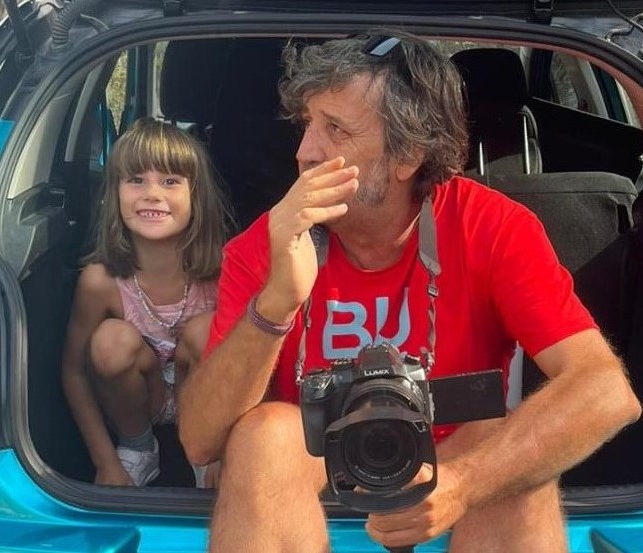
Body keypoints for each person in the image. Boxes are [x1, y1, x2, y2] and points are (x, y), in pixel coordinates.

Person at [178, 32, 641, 551]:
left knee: (510, 451)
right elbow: (200, 442)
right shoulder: (267, 243)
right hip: (311, 468)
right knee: (264, 436)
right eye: (307, 124)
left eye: (335, 129)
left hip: (451, 460)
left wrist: (464, 486)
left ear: (408, 155)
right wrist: (276, 305)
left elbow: (606, 391)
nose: (305, 152)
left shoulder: (491, 227)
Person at [62, 117, 229, 487]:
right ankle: (139, 448)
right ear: (114, 193)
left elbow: (251, 366)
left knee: (208, 332)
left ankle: (206, 453)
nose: (152, 193)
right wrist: (105, 462)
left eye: (170, 181)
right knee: (110, 341)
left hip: (202, 404)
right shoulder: (100, 281)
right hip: (139, 402)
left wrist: (228, 447)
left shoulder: (224, 270)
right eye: (136, 180)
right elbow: (74, 372)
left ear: (196, 196)